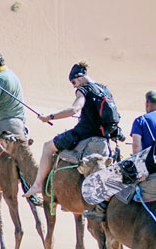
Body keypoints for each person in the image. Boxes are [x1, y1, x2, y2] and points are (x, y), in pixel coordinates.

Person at [22, 61, 114, 199]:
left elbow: (74, 109)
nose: (74, 86)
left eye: (73, 82)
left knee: (48, 147)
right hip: (104, 138)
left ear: (79, 77)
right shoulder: (104, 89)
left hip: (84, 134)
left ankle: (38, 185)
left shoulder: (83, 89)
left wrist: (50, 117)